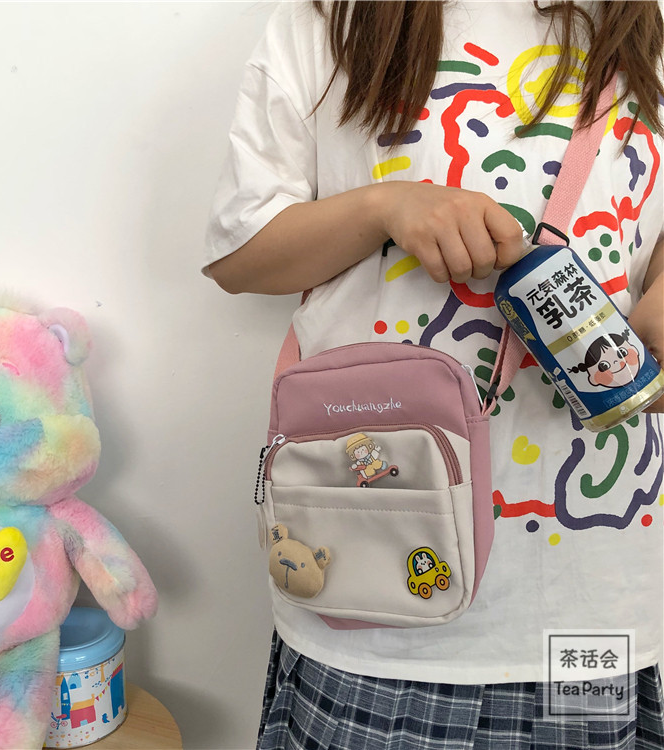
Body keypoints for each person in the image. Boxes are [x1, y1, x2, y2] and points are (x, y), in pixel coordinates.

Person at [203, 1, 664, 748]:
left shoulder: (642, 25)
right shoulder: (333, 20)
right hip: (375, 590)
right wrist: (385, 207)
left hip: (594, 598)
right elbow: (240, 252)